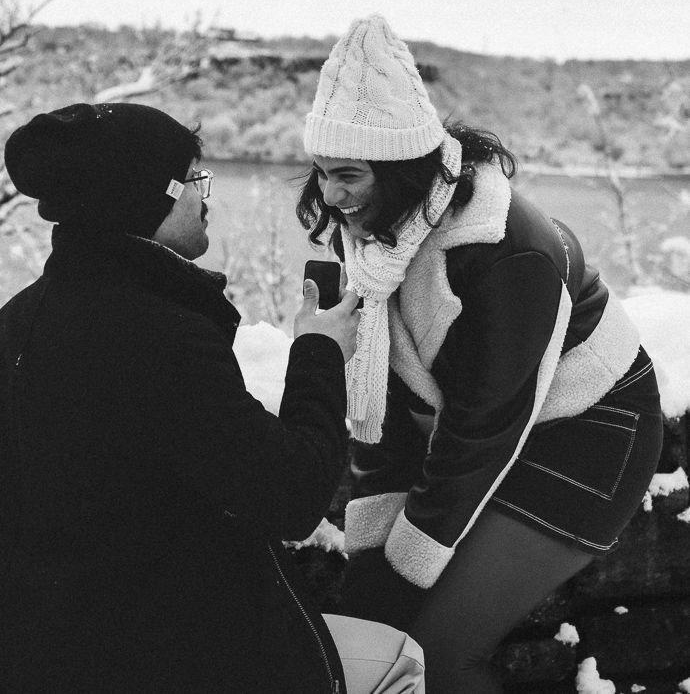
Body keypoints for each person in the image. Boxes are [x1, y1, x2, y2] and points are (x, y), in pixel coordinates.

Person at [0, 102, 425, 693]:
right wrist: (320, 353)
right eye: (194, 180)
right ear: (144, 197)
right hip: (167, 655)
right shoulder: (154, 335)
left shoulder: (20, 321)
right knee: (400, 658)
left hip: (53, 649)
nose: (206, 197)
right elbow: (292, 494)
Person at [297, 15, 663, 694]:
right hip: (489, 433)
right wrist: (371, 566)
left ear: (402, 167)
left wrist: (400, 576)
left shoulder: (505, 253)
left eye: (347, 174)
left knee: (433, 650)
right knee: (375, 632)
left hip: (589, 434)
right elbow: (385, 404)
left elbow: (480, 431)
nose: (331, 196)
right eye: (322, 173)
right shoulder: (380, 238)